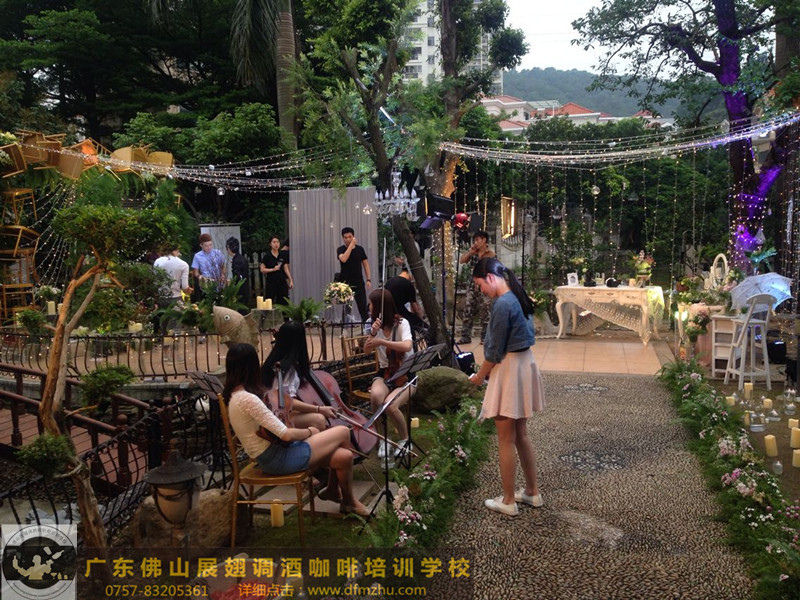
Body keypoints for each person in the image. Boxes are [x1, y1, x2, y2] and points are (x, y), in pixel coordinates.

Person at [223, 343, 368, 516]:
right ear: (251, 366)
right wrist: (310, 432)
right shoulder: (247, 399)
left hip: (272, 454)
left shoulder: (235, 395)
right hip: (276, 458)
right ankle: (343, 497)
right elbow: (286, 434)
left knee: (344, 457)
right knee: (343, 431)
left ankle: (340, 496)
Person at [468, 257, 545, 517]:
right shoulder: (519, 296)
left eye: (480, 285)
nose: (482, 291)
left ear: (490, 278)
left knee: (505, 439)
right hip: (524, 364)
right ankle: (532, 492)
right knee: (521, 434)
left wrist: (480, 376)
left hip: (510, 369)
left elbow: (493, 351)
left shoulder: (502, 303)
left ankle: (509, 500)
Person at [364, 289, 414, 465]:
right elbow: (366, 350)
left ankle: (405, 439)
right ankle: (384, 439)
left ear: (379, 306)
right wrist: (372, 334)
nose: (369, 307)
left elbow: (407, 346)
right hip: (385, 373)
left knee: (391, 406)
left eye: (371, 304)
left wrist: (382, 341)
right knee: (375, 397)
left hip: (406, 373)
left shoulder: (402, 323)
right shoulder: (373, 325)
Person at [260, 321, 338, 431]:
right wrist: (319, 409)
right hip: (278, 415)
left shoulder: (274, 361)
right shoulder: (285, 369)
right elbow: (286, 400)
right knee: (319, 420)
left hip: (278, 411)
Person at [458, 230, 495, 344]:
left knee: (485, 311)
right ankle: (465, 336)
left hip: (485, 286)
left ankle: (485, 337)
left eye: (478, 240)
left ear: (484, 240)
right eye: (475, 240)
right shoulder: (473, 253)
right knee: (468, 309)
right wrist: (470, 252)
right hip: (472, 285)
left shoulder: (491, 254)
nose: (476, 242)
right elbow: (462, 260)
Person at [153, 243, 193, 339]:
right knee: (175, 327)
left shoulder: (157, 261)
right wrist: (189, 290)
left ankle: (164, 345)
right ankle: (175, 344)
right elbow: (185, 287)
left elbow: (155, 282)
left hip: (161, 297)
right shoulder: (183, 265)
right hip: (176, 298)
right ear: (176, 250)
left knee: (164, 326)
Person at [337, 227, 371, 323]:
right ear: (343, 238)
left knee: (362, 306)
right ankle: (345, 328)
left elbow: (366, 264)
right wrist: (351, 246)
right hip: (345, 284)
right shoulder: (340, 249)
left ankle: (366, 327)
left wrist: (368, 279)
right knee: (346, 308)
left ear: (353, 237)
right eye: (345, 237)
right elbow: (343, 259)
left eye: (350, 237)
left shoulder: (360, 249)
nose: (348, 239)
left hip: (358, 282)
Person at [385, 268, 428, 343]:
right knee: (425, 329)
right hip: (401, 312)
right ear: (409, 274)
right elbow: (415, 307)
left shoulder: (388, 282)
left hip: (388, 312)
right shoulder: (408, 284)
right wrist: (420, 319)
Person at [260, 235, 292, 305]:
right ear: (270, 244)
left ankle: (283, 312)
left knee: (283, 300)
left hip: (281, 281)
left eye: (277, 242)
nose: (276, 244)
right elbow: (262, 269)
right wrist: (273, 269)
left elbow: (285, 267)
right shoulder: (267, 256)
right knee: (269, 300)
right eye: (274, 242)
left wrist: (290, 279)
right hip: (271, 281)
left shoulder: (282, 254)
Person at [226, 237, 251, 313]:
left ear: (229, 249)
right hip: (246, 287)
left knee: (241, 310)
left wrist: (231, 283)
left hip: (241, 289)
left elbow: (237, 276)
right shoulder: (241, 258)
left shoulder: (236, 261)